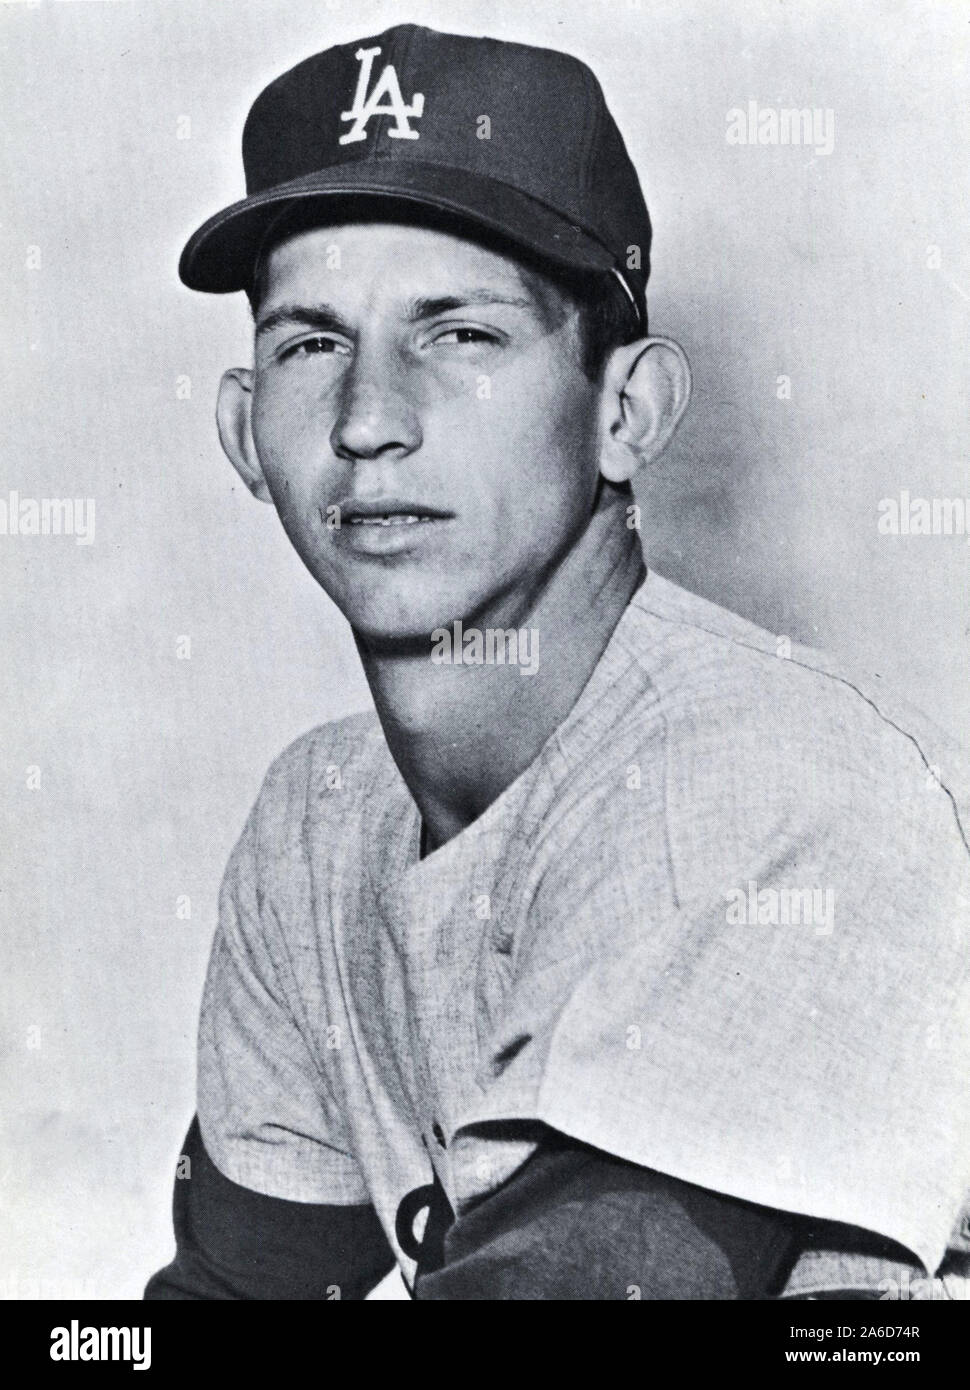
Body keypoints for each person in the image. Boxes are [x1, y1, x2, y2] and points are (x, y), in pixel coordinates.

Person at [146, 23, 970, 1300]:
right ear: (244, 430)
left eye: (459, 335)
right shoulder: (315, 818)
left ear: (623, 412)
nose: (369, 422)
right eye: (312, 342)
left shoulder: (775, 784)